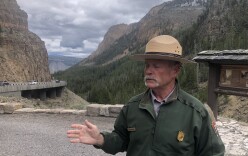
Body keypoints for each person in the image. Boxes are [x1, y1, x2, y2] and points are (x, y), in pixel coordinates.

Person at [67, 35, 225, 156]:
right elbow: (121, 139)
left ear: (175, 70)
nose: (149, 70)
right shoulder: (133, 106)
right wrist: (100, 139)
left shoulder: (195, 112)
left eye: (156, 66)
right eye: (147, 65)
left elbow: (213, 153)